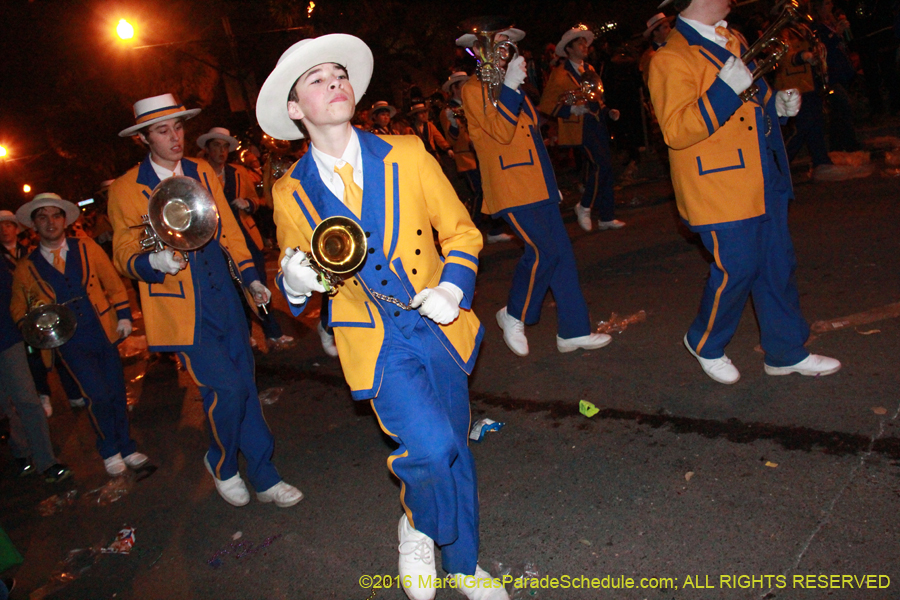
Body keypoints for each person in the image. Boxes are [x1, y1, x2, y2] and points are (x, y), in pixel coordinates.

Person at [256, 33, 507, 600]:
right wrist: (293, 282)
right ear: (295, 109)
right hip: (374, 338)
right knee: (431, 447)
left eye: (339, 75)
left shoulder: (407, 152)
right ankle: (418, 524)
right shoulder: (289, 192)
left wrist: (453, 287)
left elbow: (462, 232)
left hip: (437, 322)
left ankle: (464, 566)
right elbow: (299, 281)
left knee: (454, 448)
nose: (335, 83)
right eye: (317, 80)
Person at [108, 94, 302, 507]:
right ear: (144, 138)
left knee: (245, 386)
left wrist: (251, 279)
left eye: (178, 127)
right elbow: (123, 251)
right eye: (163, 131)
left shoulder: (200, 171)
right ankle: (222, 462)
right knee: (226, 390)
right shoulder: (126, 188)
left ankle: (265, 475)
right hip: (181, 308)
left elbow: (228, 229)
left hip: (224, 298)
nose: (175, 137)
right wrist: (151, 261)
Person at [648, 0, 841, 384]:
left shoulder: (733, 37)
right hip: (718, 184)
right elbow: (676, 129)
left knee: (776, 266)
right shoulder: (669, 57)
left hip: (762, 173)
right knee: (739, 268)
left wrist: (778, 107)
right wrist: (724, 90)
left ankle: (785, 352)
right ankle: (704, 341)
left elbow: (754, 97)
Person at [459, 27, 613, 358]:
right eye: (500, 45)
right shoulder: (473, 89)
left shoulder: (512, 86)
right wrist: (511, 87)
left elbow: (531, 137)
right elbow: (500, 132)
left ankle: (573, 331)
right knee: (544, 251)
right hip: (510, 185)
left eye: (509, 45)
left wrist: (549, 182)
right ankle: (513, 313)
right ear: (481, 51)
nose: (507, 51)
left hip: (537, 183)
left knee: (562, 256)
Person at [9, 193, 143, 476]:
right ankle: (110, 450)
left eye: (55, 215)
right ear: (34, 224)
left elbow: (113, 283)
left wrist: (123, 316)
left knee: (117, 392)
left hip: (102, 330)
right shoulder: (26, 266)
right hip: (68, 342)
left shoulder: (86, 246)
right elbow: (18, 309)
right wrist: (35, 329)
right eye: (42, 217)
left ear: (65, 220)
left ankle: (127, 447)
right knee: (97, 395)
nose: (50, 222)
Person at [197, 126, 294, 347]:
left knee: (259, 285)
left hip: (246, 237)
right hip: (218, 241)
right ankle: (246, 333)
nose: (221, 152)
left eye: (225, 147)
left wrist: (248, 203)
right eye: (216, 146)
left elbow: (256, 200)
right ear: (207, 149)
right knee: (233, 290)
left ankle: (272, 332)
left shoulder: (238, 172)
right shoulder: (200, 175)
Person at [1, 221, 71, 483]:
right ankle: (20, 451)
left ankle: (46, 462)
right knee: (5, 405)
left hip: (6, 339)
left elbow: (12, 294)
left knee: (26, 399)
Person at [540, 26, 625, 232]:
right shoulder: (559, 74)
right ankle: (584, 206)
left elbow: (595, 98)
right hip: (580, 127)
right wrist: (570, 109)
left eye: (585, 43)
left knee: (606, 168)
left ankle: (606, 216)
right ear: (568, 49)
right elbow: (547, 104)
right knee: (600, 166)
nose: (584, 47)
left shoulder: (590, 69)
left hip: (597, 123)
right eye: (579, 44)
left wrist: (608, 111)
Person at [440, 72, 513, 245]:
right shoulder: (448, 111)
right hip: (467, 158)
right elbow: (451, 139)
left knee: (491, 191)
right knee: (479, 193)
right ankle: (469, 230)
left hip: (482, 154)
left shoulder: (473, 104)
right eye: (463, 85)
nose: (467, 88)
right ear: (455, 89)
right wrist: (454, 124)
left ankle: (495, 230)